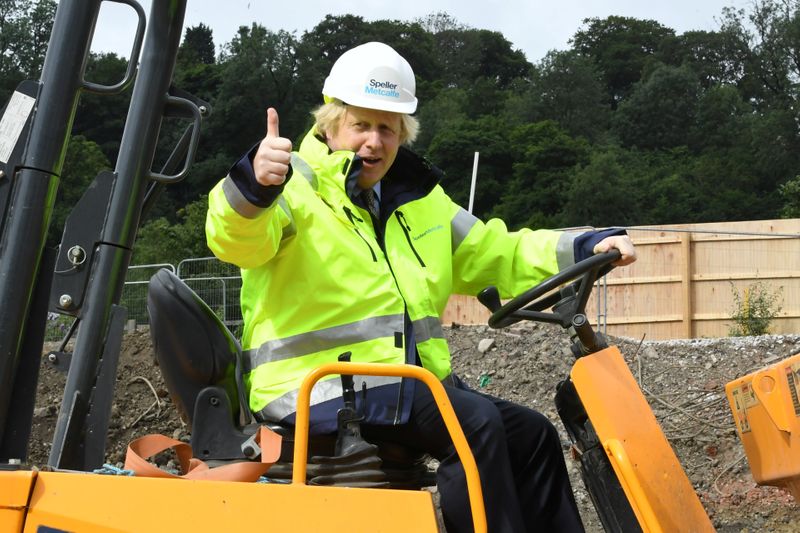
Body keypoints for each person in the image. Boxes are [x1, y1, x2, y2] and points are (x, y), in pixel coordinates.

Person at [206, 41, 636, 532]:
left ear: (402, 134)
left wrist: (584, 247)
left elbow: (497, 251)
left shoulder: (419, 201)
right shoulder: (292, 187)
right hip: (317, 388)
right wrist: (252, 187)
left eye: (387, 128)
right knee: (473, 427)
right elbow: (235, 239)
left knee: (532, 434)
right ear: (330, 125)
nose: (374, 141)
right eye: (361, 125)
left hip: (399, 385)